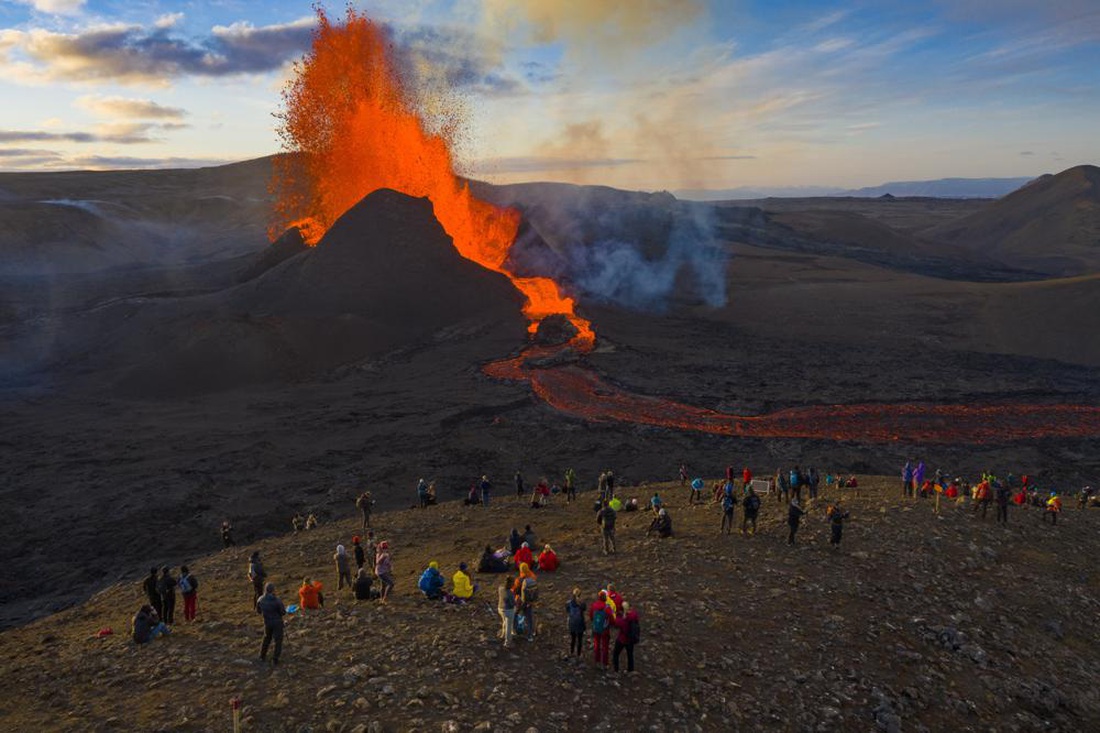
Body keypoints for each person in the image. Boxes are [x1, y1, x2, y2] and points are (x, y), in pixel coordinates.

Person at [256, 583, 286, 666]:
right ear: (273, 590)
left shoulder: (260, 599)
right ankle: (275, 659)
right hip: (277, 623)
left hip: (267, 622)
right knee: (278, 641)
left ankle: (262, 655)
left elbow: (258, 611)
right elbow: (283, 612)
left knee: (266, 638)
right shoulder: (277, 600)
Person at [611, 601, 640, 673]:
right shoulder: (633, 615)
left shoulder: (623, 619)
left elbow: (617, 623)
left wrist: (618, 615)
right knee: (630, 655)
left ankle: (616, 669)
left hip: (622, 639)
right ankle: (630, 669)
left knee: (616, 654)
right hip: (631, 639)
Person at [515, 563, 539, 640]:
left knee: (515, 614)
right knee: (529, 617)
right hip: (530, 601)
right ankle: (530, 635)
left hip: (520, 600)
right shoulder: (533, 577)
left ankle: (515, 630)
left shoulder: (519, 580)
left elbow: (515, 590)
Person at [590, 590, 611, 668]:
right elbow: (611, 619)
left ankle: (597, 661)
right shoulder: (607, 608)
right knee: (605, 646)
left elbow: (591, 616)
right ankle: (604, 663)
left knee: (597, 644)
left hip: (596, 628)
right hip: (605, 630)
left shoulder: (594, 605)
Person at [566, 588, 586, 659]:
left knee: (573, 639)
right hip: (580, 623)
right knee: (580, 640)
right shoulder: (582, 604)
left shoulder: (568, 603)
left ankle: (571, 652)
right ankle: (578, 654)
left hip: (572, 623)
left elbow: (567, 611)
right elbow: (584, 609)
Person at [498, 577, 516, 648]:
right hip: (508, 610)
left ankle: (502, 634)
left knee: (504, 622)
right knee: (509, 626)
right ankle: (507, 643)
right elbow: (512, 603)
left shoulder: (500, 588)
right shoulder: (510, 593)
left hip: (500, 608)